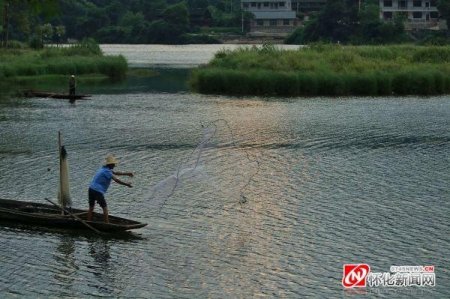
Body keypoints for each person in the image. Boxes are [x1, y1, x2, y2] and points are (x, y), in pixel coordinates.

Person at [88, 155, 133, 223]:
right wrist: (127, 184)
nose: (114, 165)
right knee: (105, 208)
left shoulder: (103, 169)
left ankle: (89, 221)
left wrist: (127, 173)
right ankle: (107, 224)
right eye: (114, 164)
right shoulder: (107, 172)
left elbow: (116, 173)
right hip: (97, 191)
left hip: (91, 189)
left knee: (91, 207)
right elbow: (117, 180)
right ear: (111, 164)